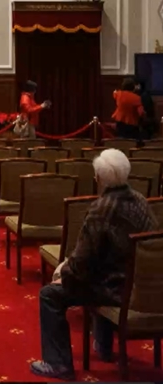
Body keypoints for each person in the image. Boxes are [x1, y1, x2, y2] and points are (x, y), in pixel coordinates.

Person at [30, 149, 157, 380]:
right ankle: (104, 346)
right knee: (102, 269)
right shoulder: (141, 201)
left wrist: (63, 274)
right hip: (145, 287)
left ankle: (58, 364)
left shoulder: (101, 209)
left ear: (98, 178)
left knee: (50, 295)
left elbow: (81, 262)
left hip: (115, 289)